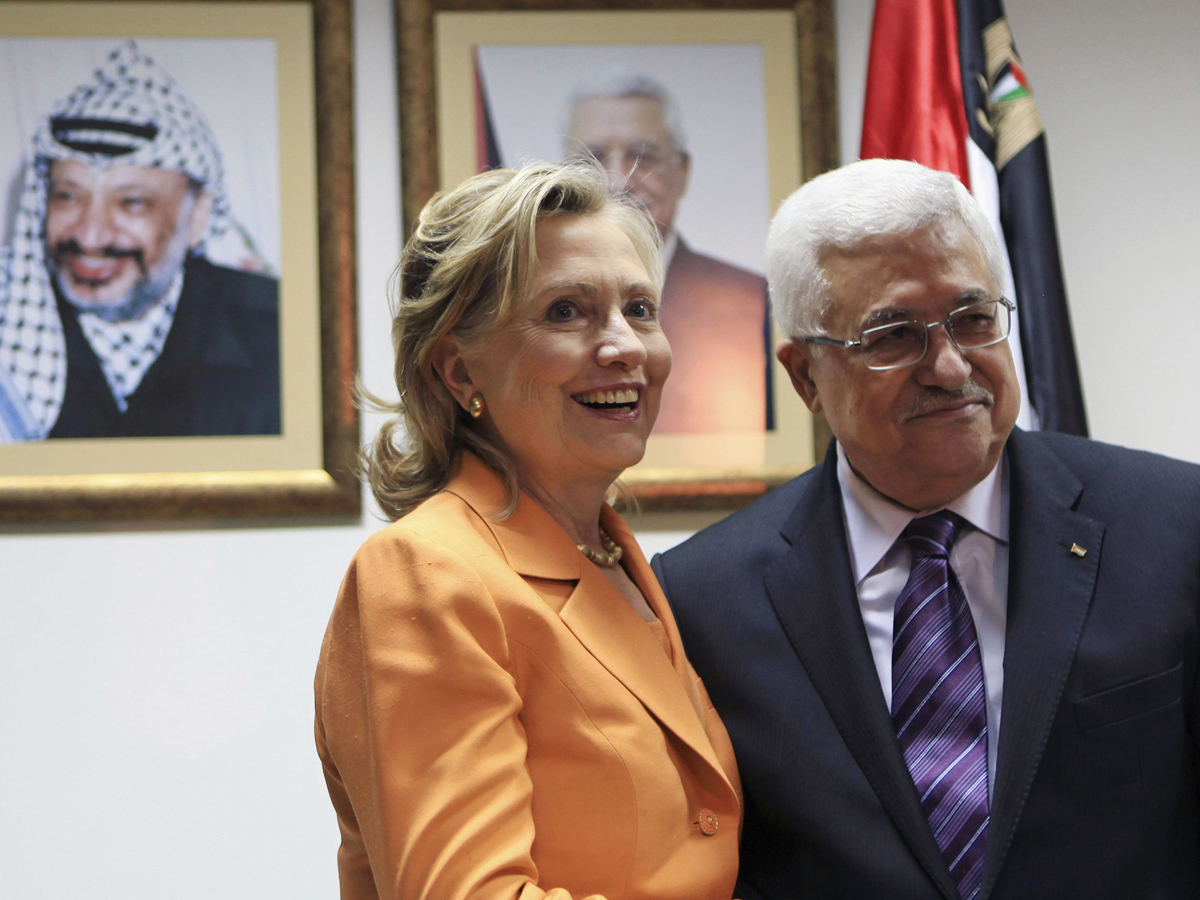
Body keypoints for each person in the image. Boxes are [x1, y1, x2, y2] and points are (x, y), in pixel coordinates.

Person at [654, 158, 1200, 899]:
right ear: (806, 376)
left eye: (974, 320)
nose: (949, 367)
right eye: (893, 336)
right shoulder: (701, 603)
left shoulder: (1175, 529)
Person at [314, 163, 742, 900]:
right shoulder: (425, 572)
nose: (624, 346)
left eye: (640, 308)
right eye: (567, 312)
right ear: (459, 373)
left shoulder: (614, 556)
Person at [0, 40, 279, 441]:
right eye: (68, 195)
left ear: (196, 216)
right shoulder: (11, 320)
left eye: (131, 202)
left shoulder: (279, 331)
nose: (90, 235)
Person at [564, 72, 770, 434]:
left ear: (683, 172)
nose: (617, 181)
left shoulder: (752, 299)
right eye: (593, 158)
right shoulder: (533, 303)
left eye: (642, 157)